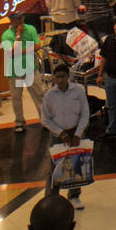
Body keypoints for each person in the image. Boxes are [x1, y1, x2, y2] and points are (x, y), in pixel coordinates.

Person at [39, 63, 89, 209]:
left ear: (68, 77)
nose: (59, 80)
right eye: (57, 77)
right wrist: (61, 133)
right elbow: (45, 119)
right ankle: (51, 198)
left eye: (62, 77)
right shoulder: (49, 95)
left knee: (76, 164)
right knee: (53, 167)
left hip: (75, 132)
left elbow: (85, 114)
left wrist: (78, 133)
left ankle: (74, 196)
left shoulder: (78, 91)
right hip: (57, 135)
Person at [3, 14, 45, 133]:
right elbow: (11, 53)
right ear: (11, 20)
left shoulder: (31, 29)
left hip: (31, 68)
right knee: (16, 98)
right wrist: (18, 36)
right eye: (18, 18)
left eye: (22, 18)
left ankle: (45, 120)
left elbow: (37, 45)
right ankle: (19, 122)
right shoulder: (6, 35)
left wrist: (20, 51)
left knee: (39, 94)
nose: (22, 20)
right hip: (14, 71)